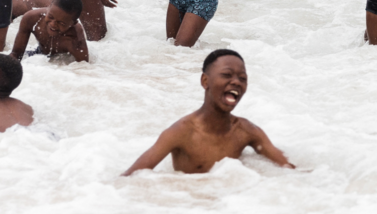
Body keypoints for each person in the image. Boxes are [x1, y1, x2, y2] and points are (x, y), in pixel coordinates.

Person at [122, 49, 294, 175]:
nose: (236, 82)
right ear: (205, 81)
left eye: (243, 78)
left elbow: (288, 169)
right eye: (227, 75)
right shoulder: (181, 132)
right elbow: (131, 178)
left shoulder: (246, 131)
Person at [9, 0, 89, 62]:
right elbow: (16, 54)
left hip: (62, 62)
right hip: (38, 55)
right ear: (49, 7)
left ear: (73, 24)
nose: (53, 24)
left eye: (61, 23)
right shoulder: (32, 19)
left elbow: (83, 68)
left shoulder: (76, 39)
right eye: (50, 17)